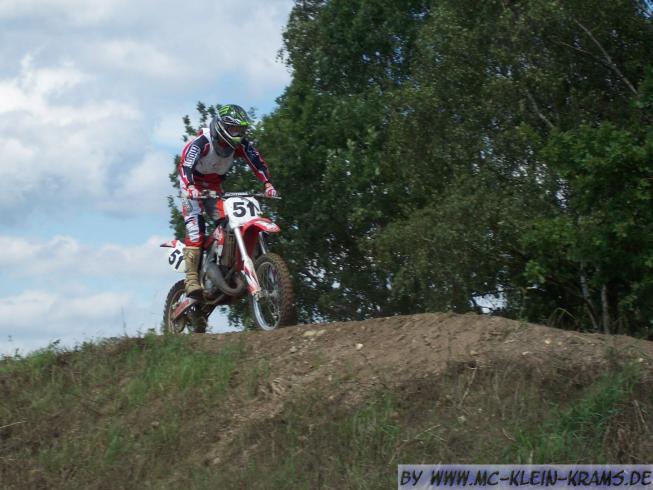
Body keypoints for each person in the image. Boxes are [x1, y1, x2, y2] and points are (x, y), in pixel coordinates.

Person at [178, 104, 277, 298]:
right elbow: (185, 165)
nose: (237, 133)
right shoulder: (202, 142)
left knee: (229, 223)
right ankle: (191, 279)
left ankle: (225, 265)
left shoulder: (240, 145)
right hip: (191, 185)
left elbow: (256, 161)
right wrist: (189, 187)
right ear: (222, 126)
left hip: (214, 186)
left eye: (241, 129)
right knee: (196, 229)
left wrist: (267, 183)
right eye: (233, 129)